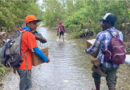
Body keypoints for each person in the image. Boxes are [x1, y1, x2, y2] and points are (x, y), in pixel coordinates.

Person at [85, 13, 123, 90]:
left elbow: (94, 49)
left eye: (103, 22)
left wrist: (87, 51)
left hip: (104, 63)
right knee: (112, 82)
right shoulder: (120, 33)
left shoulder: (101, 34)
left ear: (108, 23)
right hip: (116, 62)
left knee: (95, 74)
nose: (102, 24)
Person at [16, 15, 50, 90]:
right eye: (34, 23)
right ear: (28, 24)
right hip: (25, 67)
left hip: (18, 64)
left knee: (23, 86)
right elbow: (37, 51)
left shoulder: (21, 32)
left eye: (36, 23)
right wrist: (46, 59)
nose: (36, 25)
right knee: (26, 87)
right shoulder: (29, 34)